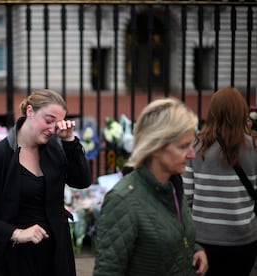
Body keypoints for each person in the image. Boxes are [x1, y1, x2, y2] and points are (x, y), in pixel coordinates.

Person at [0, 89, 92, 276]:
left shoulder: (56, 149)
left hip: (57, 257)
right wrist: (15, 233)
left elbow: (82, 181)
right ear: (30, 112)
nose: (52, 129)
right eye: (48, 121)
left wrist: (70, 141)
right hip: (14, 259)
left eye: (57, 124)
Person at [93, 98, 208, 276]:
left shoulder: (173, 185)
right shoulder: (123, 199)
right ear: (155, 147)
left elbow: (167, 233)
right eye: (184, 146)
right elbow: (108, 270)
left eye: (191, 145)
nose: (192, 154)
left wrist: (194, 249)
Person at [182, 87, 257, 276]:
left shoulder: (197, 147)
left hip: (203, 240)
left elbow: (186, 196)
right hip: (244, 239)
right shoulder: (253, 147)